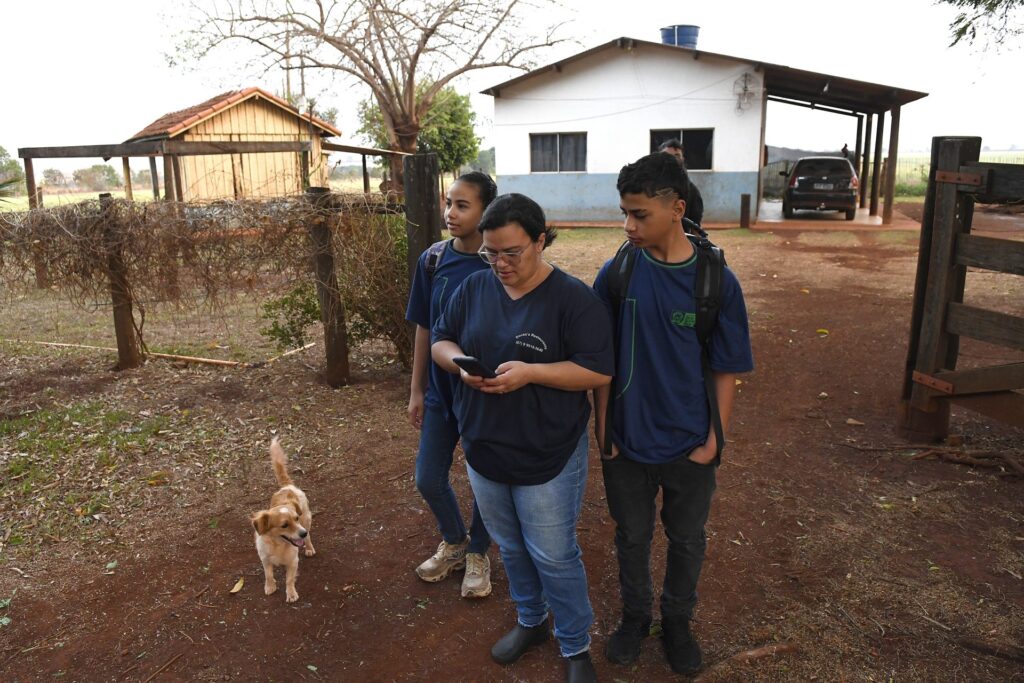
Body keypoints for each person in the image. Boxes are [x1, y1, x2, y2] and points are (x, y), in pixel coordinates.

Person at [432, 193, 614, 683]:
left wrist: (532, 373)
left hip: (548, 451)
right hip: (484, 445)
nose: (500, 263)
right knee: (510, 547)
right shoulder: (473, 288)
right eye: (491, 253)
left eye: (511, 252)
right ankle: (531, 621)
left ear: (540, 240)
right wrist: (459, 367)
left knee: (554, 554)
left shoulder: (574, 299)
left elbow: (596, 371)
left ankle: (576, 647)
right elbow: (441, 340)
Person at [593, 153, 754, 675]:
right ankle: (636, 618)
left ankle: (678, 622)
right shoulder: (617, 274)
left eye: (639, 214)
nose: (628, 225)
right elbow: (598, 361)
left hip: (690, 444)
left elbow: (725, 369)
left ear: (677, 208)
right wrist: (604, 431)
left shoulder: (716, 283)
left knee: (687, 539)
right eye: (624, 212)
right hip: (627, 444)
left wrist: (715, 440)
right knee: (631, 537)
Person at [405, 171, 497, 598]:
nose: (450, 213)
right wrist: (417, 389)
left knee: (485, 479)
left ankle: (480, 551)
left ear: (486, 211)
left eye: (462, 205)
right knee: (428, 477)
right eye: (448, 203)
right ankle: (456, 541)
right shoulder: (434, 259)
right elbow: (424, 326)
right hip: (442, 394)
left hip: (485, 396)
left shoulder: (500, 260)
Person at [657, 138, 704, 226]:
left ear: (683, 159)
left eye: (677, 155)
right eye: (667, 155)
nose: (672, 159)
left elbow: (695, 227)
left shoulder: (692, 192)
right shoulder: (649, 188)